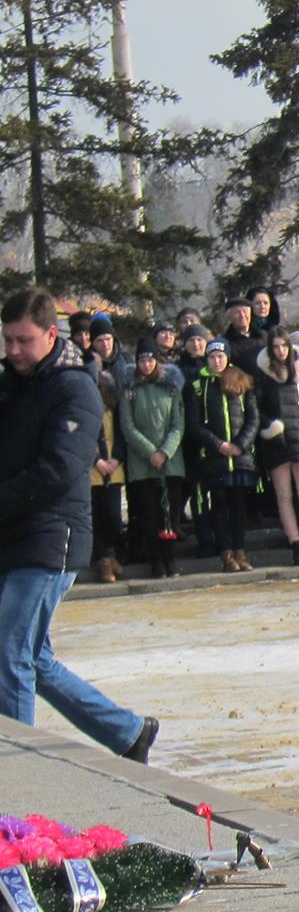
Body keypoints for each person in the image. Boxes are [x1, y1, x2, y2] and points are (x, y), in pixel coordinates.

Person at [0, 289, 158, 760]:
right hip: (13, 535)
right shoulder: (11, 383)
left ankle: (16, 772)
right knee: (33, 658)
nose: (13, 350)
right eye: (7, 340)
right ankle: (128, 732)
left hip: (53, 537)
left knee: (9, 653)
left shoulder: (75, 388)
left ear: (52, 334)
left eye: (23, 340)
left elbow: (58, 472)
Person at [186, 338, 260, 572]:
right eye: (212, 357)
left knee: (239, 504)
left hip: (239, 457)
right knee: (219, 503)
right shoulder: (198, 385)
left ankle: (240, 549)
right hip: (214, 456)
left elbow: (253, 418)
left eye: (220, 356)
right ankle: (225, 551)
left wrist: (240, 444)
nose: (216, 361)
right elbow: (194, 424)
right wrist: (217, 444)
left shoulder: (242, 381)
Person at [254, 329, 299, 564]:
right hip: (277, 442)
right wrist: (271, 429)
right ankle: (295, 544)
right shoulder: (264, 376)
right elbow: (257, 409)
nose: (281, 351)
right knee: (284, 496)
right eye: (276, 347)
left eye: (284, 346)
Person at [118, 346, 185, 579]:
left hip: (171, 461)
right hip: (142, 463)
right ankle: (155, 560)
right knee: (149, 514)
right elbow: (127, 425)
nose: (146, 365)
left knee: (170, 513)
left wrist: (165, 451)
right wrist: (150, 453)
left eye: (150, 360)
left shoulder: (171, 388)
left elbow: (178, 423)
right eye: (142, 361)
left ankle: (170, 558)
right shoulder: (130, 390)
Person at [85, 365, 126, 584]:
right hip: (92, 470)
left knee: (113, 515)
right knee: (95, 515)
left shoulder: (113, 406)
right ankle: (102, 558)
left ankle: (110, 553)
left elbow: (121, 433)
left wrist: (116, 458)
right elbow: (81, 435)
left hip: (113, 468)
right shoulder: (82, 404)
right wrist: (96, 460)